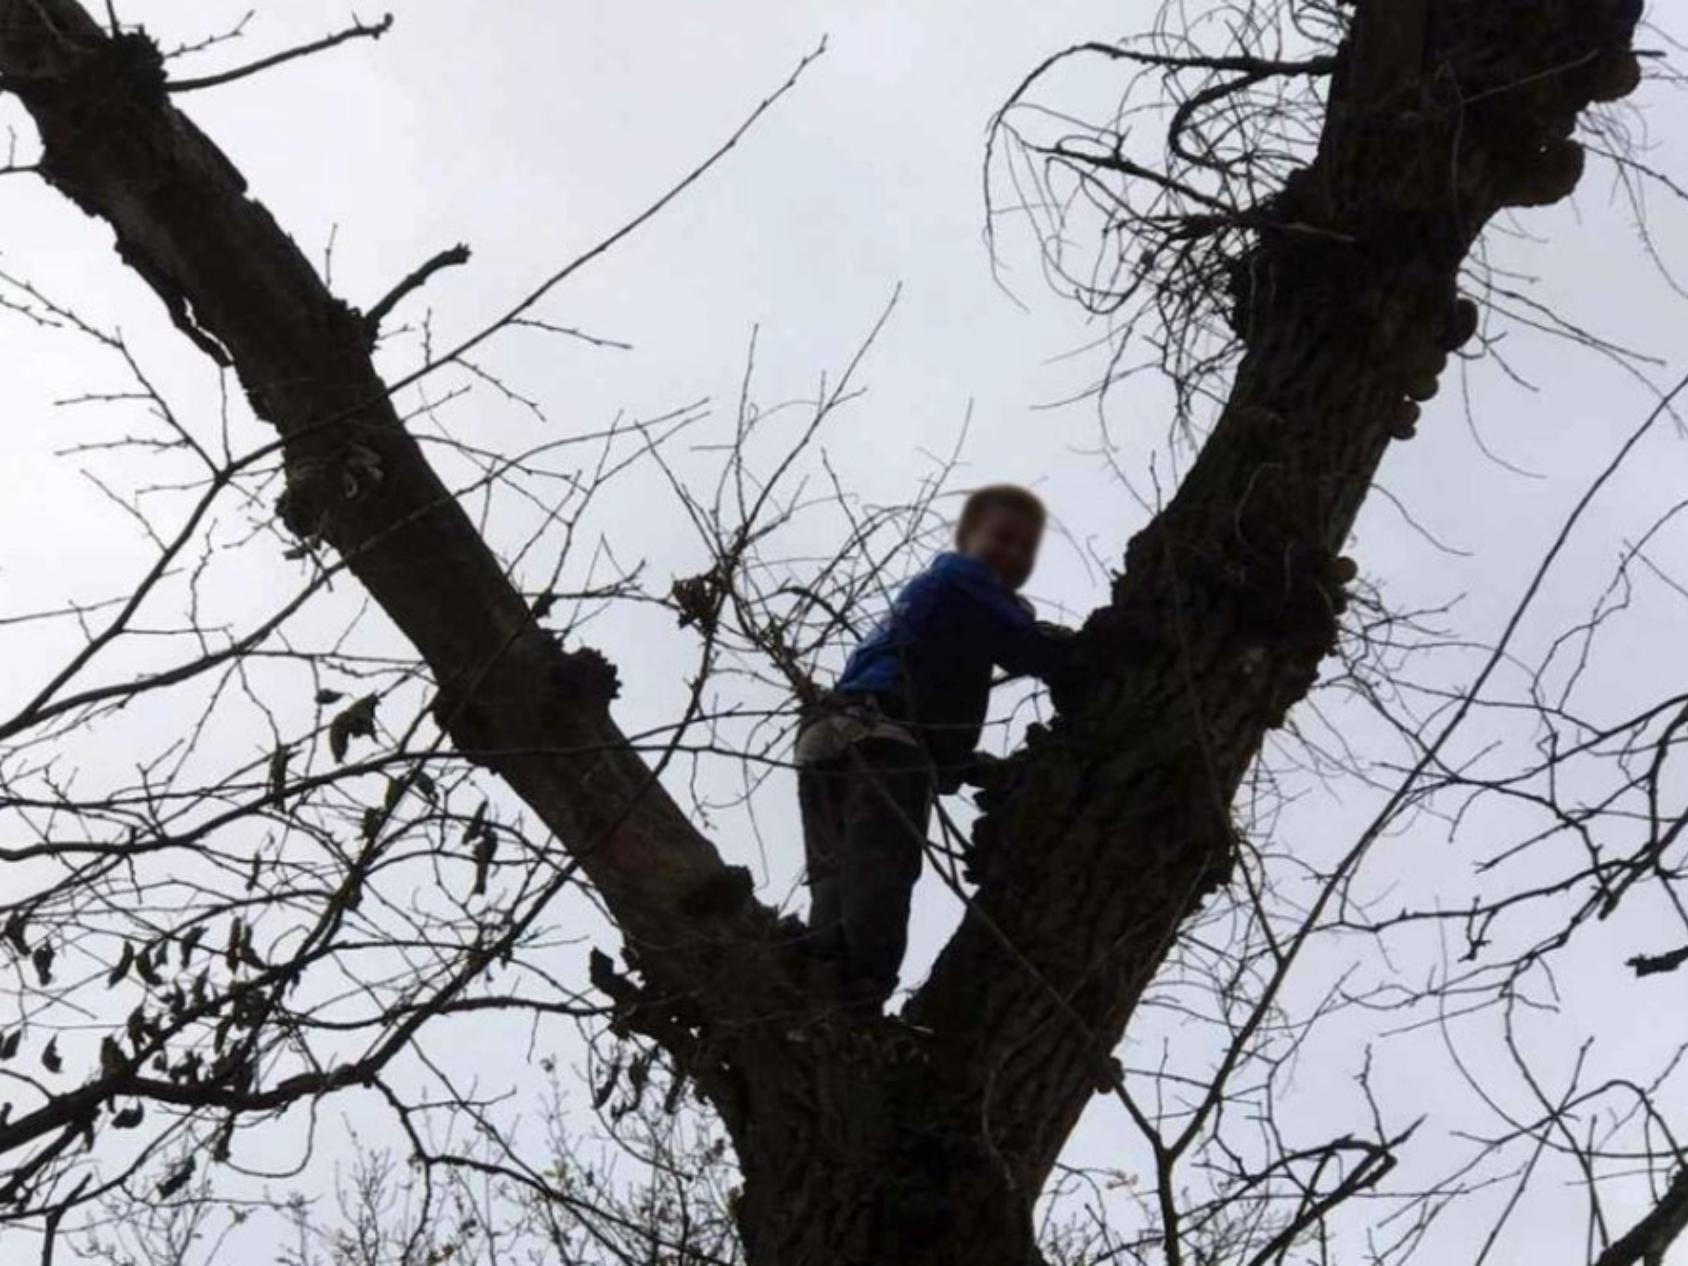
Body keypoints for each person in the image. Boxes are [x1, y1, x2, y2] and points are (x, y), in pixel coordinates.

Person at [796, 484, 1079, 1014]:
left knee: (835, 876)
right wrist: (1087, 662)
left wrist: (971, 767)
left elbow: (931, 691)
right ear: (969, 538)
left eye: (1025, 546)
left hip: (828, 734)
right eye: (1003, 538)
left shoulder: (929, 600)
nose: (1014, 553)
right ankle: (860, 994)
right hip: (882, 732)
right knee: (882, 864)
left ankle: (820, 981)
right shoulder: (961, 580)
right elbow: (1030, 647)